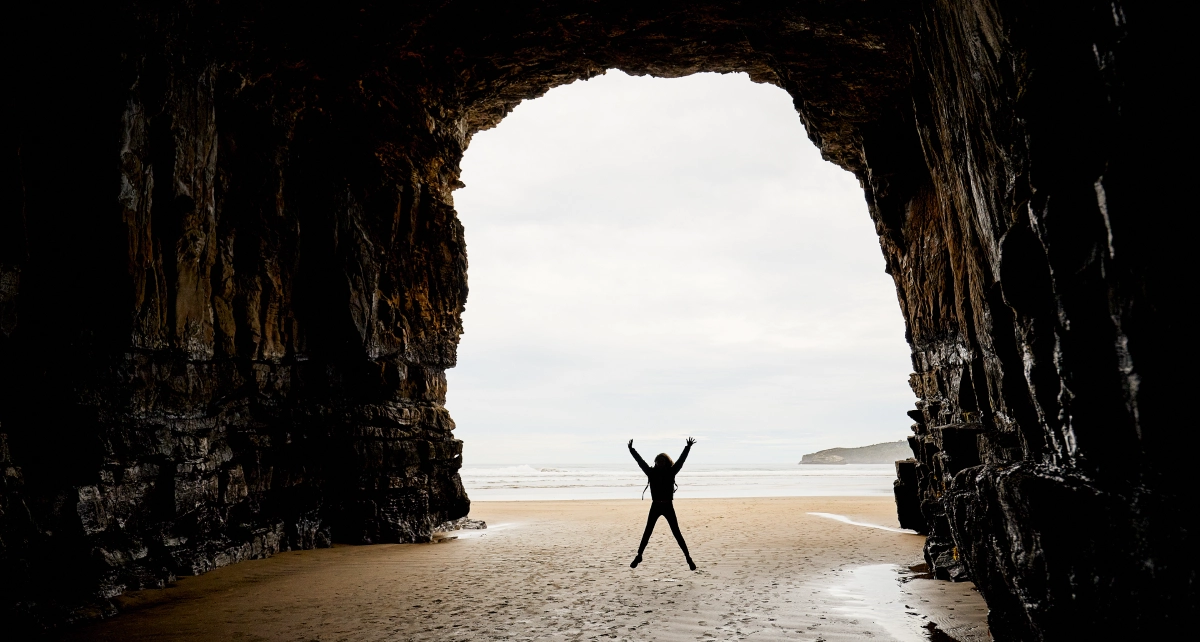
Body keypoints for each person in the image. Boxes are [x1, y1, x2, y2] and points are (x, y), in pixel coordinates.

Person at [627, 437, 697, 570]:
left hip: (668, 506)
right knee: (647, 532)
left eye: (662, 461)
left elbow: (681, 461)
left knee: (676, 533)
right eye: (658, 461)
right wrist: (632, 450)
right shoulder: (651, 472)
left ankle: (688, 558)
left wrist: (688, 447)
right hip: (655, 506)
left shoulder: (671, 472)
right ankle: (639, 555)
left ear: (666, 462)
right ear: (656, 462)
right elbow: (640, 462)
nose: (659, 463)